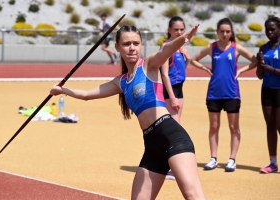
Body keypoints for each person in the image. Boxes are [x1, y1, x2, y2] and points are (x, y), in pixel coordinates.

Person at [50, 24, 207, 199]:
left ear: (141, 45)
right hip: (152, 147)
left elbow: (165, 52)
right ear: (117, 47)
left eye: (136, 43)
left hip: (173, 138)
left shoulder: (149, 65)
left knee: (193, 196)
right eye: (126, 44)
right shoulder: (121, 82)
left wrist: (182, 39)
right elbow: (87, 95)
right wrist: (62, 90)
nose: (132, 47)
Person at [190, 18, 257, 172]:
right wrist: (206, 69)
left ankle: (232, 159)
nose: (225, 34)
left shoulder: (236, 48)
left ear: (231, 32)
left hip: (231, 92)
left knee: (234, 127)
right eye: (222, 31)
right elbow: (194, 60)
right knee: (214, 126)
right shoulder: (211, 47)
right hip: (214, 93)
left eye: (228, 31)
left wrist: (241, 70)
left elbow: (255, 61)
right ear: (217, 32)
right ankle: (213, 158)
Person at [160, 16, 190, 180]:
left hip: (179, 90)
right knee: (174, 130)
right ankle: (170, 167)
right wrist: (171, 97)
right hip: (169, 91)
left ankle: (168, 165)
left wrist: (188, 58)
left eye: (181, 29)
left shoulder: (180, 48)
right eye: (176, 29)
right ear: (169, 30)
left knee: (175, 128)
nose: (179, 32)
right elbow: (164, 74)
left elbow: (181, 70)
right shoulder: (166, 47)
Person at [256, 16, 280, 174]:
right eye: (267, 29)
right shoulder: (263, 48)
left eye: (272, 29)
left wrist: (271, 69)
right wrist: (260, 63)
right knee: (270, 126)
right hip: (267, 90)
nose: (269, 32)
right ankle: (273, 163)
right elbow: (259, 75)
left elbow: (270, 70)